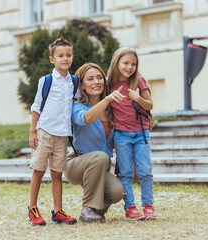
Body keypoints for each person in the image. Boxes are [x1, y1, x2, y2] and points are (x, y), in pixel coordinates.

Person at [64, 63, 126, 223]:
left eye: (99, 77)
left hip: (101, 167)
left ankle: (93, 212)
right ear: (82, 85)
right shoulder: (77, 106)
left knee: (117, 192)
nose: (96, 82)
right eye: (90, 79)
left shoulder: (113, 109)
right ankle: (87, 208)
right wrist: (106, 100)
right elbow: (87, 118)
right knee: (100, 157)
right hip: (76, 163)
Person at [28, 36, 79, 226]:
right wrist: (33, 132)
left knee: (57, 174)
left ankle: (58, 212)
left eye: (68, 55)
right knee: (39, 171)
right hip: (44, 132)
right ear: (52, 59)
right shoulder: (46, 80)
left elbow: (80, 100)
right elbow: (36, 106)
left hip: (62, 135)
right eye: (60, 56)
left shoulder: (73, 82)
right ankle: (32, 209)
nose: (65, 59)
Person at [107, 47, 156, 220]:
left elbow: (149, 105)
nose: (129, 67)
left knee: (145, 171)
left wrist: (137, 98)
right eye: (125, 63)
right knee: (125, 173)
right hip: (121, 135)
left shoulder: (139, 81)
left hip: (141, 134)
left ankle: (148, 206)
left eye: (133, 64)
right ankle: (130, 208)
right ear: (117, 63)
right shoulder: (109, 84)